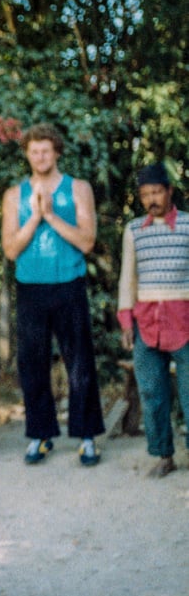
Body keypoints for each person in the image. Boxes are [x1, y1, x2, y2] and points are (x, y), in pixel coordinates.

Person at [1, 123, 105, 466]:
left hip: (69, 283)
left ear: (56, 152)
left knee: (79, 362)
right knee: (32, 364)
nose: (40, 156)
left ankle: (87, 436)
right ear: (27, 155)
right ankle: (40, 435)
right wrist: (34, 217)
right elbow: (11, 249)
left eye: (46, 150)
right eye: (34, 151)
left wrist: (50, 215)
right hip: (31, 287)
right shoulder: (15, 195)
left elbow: (87, 241)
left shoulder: (77, 188)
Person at [117, 163, 189, 478]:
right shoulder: (134, 230)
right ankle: (163, 454)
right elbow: (127, 279)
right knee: (151, 392)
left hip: (184, 319)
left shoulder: (188, 225)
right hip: (146, 322)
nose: (152, 200)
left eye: (157, 192)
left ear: (169, 191)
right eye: (145, 195)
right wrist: (124, 320)